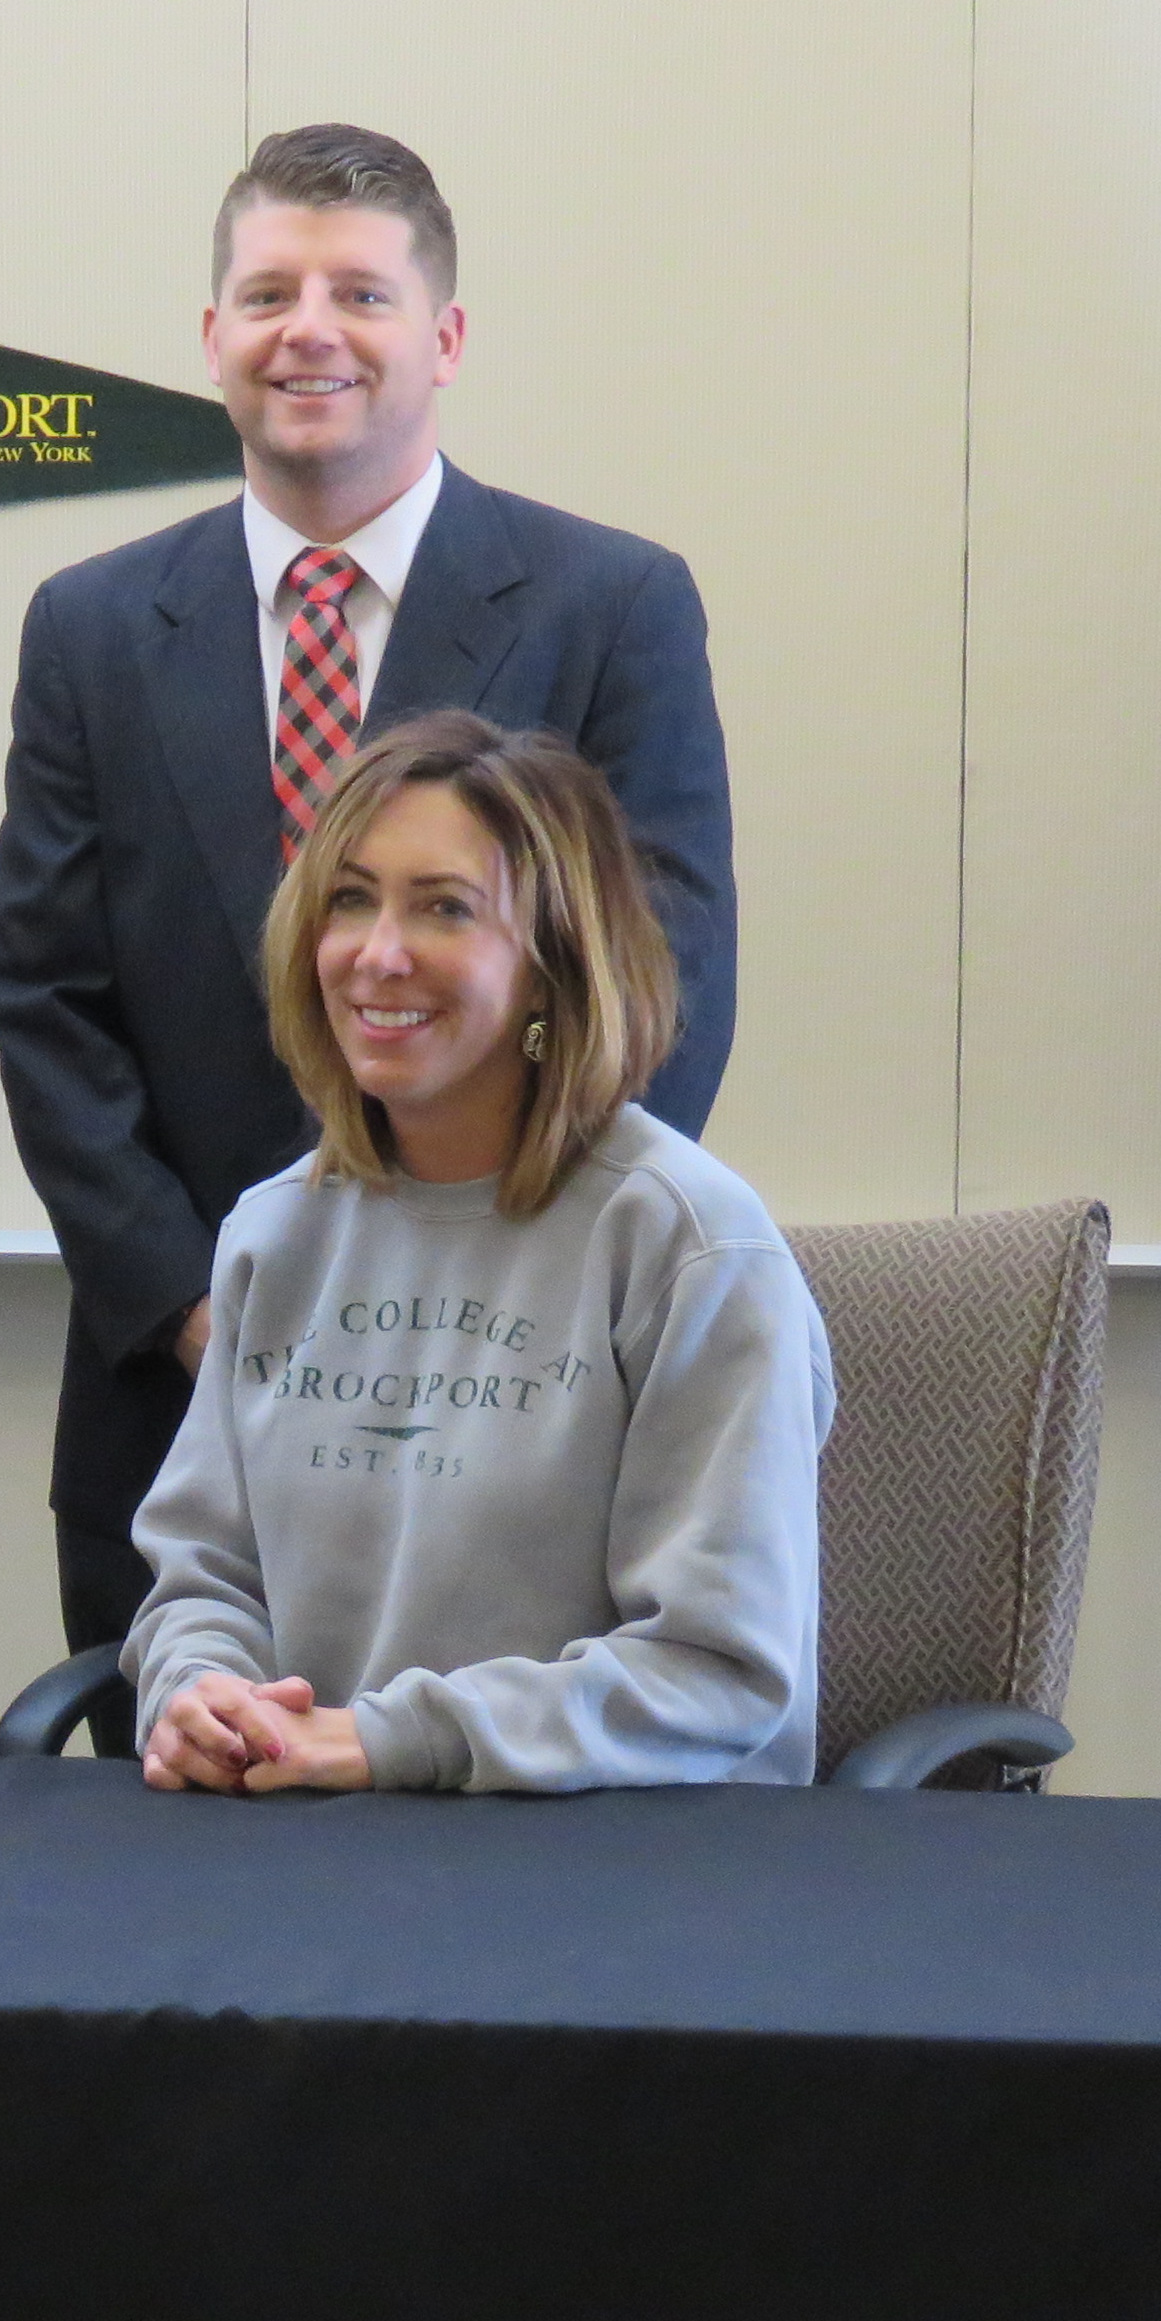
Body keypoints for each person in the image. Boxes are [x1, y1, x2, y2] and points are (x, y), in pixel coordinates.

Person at [0, 124, 740, 1654]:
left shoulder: (611, 606)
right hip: (178, 1389)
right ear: (214, 336)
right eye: (269, 295)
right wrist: (198, 1302)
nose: (308, 330)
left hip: (522, 1374)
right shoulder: (93, 626)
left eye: (361, 295)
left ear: (443, 338)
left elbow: (662, 973)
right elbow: (45, 994)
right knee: (182, 1786)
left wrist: (507, 1271)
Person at [127, 713, 828, 1796]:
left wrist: (392, 1741)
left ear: (551, 964)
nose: (378, 954)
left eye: (444, 907)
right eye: (350, 900)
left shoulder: (689, 1245)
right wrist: (202, 1693)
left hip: (618, 1857)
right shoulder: (276, 1232)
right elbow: (205, 1578)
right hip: (308, 1836)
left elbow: (718, 1670)